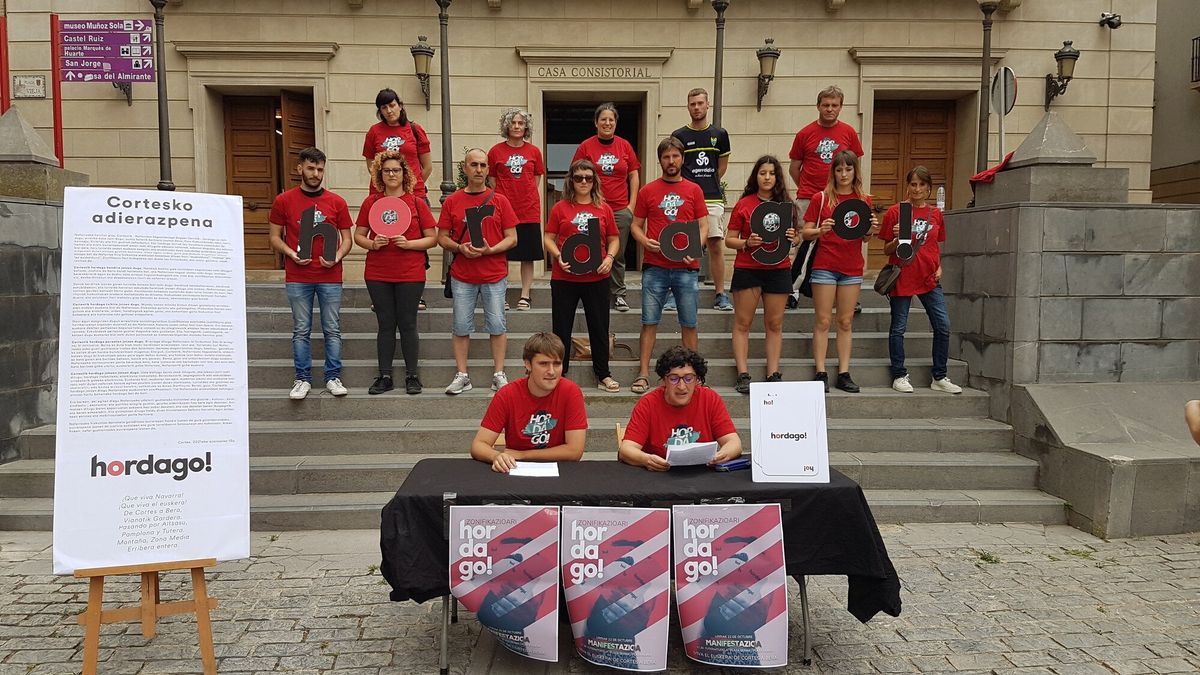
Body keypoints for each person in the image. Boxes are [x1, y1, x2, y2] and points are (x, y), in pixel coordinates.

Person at [267, 146, 354, 400]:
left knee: (332, 329)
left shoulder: (336, 202)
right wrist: (291, 254)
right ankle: (302, 378)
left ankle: (333, 377)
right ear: (300, 168)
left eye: (320, 169)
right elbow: (274, 237)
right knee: (301, 329)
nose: (316, 173)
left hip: (330, 276)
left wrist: (336, 256)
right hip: (298, 276)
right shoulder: (284, 200)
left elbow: (347, 239)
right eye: (311, 168)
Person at [354, 151, 438, 395]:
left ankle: (412, 376)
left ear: (404, 174)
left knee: (409, 323)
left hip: (410, 272)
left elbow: (432, 238)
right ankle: (385, 376)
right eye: (387, 170)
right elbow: (359, 235)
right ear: (380, 174)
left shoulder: (416, 202)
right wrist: (372, 244)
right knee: (386, 324)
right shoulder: (371, 202)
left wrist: (409, 244)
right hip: (378, 272)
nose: (392, 174)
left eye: (396, 170)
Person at [629, 137, 709, 395]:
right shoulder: (647, 191)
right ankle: (643, 374)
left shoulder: (694, 190)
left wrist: (695, 248)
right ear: (660, 160)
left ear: (682, 158)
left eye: (675, 156)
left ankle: (693, 375)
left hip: (686, 267)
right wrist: (644, 242)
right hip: (655, 266)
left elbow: (703, 225)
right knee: (649, 321)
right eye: (666, 157)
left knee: (689, 322)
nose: (671, 161)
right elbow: (635, 225)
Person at [438, 148, 518, 395]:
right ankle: (463, 375)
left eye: (483, 165)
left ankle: (498, 374)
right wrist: (459, 247)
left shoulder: (500, 200)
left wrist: (491, 250)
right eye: (474, 165)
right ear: (465, 168)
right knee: (461, 326)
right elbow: (441, 238)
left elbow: (512, 238)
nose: (479, 170)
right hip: (463, 276)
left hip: (494, 274)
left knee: (497, 325)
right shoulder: (453, 201)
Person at [879, 166, 962, 395]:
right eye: (913, 184)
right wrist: (896, 239)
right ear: (908, 186)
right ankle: (899, 374)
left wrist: (940, 266)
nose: (917, 189)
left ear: (929, 188)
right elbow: (885, 248)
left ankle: (940, 375)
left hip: (929, 277)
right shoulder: (897, 212)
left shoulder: (935, 214)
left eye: (922, 185)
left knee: (943, 326)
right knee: (899, 327)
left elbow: (935, 244)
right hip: (903, 275)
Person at [801, 149, 878, 393]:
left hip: (851, 267)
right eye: (839, 169)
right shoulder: (821, 198)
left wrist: (871, 229)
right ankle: (820, 371)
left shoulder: (864, 200)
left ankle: (844, 372)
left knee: (845, 321)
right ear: (832, 172)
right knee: (823, 320)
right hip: (825, 265)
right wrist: (820, 230)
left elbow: (864, 238)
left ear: (855, 171)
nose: (843, 174)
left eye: (848, 169)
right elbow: (805, 232)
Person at [543, 159, 622, 392]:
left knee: (599, 327)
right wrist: (558, 255)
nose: (584, 182)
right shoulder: (560, 207)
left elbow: (614, 239)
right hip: (564, 278)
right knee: (561, 328)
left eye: (588, 177)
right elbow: (548, 236)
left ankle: (603, 374)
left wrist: (609, 258)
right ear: (571, 181)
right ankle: (560, 373)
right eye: (579, 178)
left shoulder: (604, 208)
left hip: (596, 278)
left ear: (594, 180)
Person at [725, 156, 801, 394]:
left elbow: (798, 237)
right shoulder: (745, 204)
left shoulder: (787, 205)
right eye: (762, 173)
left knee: (775, 324)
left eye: (772, 173)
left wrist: (794, 237)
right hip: (748, 268)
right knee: (743, 323)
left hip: (778, 270)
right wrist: (746, 242)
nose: (767, 177)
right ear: (755, 176)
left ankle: (773, 372)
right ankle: (743, 374)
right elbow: (729, 239)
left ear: (778, 177)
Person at [788, 86, 864, 308]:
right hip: (810, 196)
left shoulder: (849, 132)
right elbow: (795, 168)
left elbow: (854, 165)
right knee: (804, 242)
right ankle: (794, 288)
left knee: (844, 239)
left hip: (842, 199)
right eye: (826, 105)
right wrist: (811, 191)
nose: (830, 109)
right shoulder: (805, 133)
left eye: (834, 105)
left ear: (840, 107)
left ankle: (847, 295)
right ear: (818, 106)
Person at [470, 333, 588, 473]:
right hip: (515, 470)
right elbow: (478, 445)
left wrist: (522, 455)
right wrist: (497, 456)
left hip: (560, 472)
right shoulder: (507, 394)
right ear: (528, 364)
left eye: (557, 364)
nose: (551, 371)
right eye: (543, 364)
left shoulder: (571, 392)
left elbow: (575, 451)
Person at [363, 88, 433, 310]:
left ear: (400, 105)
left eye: (392, 105)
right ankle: (382, 293)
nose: (389, 110)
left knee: (414, 242)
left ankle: (415, 294)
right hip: (383, 197)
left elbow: (427, 165)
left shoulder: (414, 129)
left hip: (413, 195)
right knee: (384, 239)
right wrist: (385, 185)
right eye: (383, 107)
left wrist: (410, 186)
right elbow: (370, 164)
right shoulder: (374, 132)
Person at [619, 346, 742, 471]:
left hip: (702, 476)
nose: (682, 386)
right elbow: (626, 449)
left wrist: (721, 455)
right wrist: (647, 459)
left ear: (697, 380)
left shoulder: (710, 399)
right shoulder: (648, 403)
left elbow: (734, 443)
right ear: (663, 380)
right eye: (674, 379)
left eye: (689, 378)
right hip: (659, 477)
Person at [573, 102, 641, 312]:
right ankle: (594, 293)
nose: (607, 123)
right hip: (594, 207)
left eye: (611, 119)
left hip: (620, 209)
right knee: (593, 250)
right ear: (596, 122)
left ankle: (619, 293)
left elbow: (633, 175)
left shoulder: (624, 146)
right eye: (603, 119)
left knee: (617, 253)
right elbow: (576, 175)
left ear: (615, 123)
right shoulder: (586, 146)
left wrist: (631, 206)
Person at [672, 88, 733, 311]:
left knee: (716, 244)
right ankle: (676, 292)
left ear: (707, 105)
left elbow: (721, 167)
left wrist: (706, 185)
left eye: (700, 103)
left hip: (712, 197)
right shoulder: (679, 135)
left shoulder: (720, 134)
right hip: (685, 199)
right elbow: (675, 165)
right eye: (692, 104)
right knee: (683, 245)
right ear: (688, 107)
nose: (696, 107)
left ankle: (720, 294)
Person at [488, 108, 545, 310]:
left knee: (527, 255)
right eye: (513, 123)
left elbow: (536, 178)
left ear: (526, 126)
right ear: (507, 126)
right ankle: (500, 295)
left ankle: (525, 295)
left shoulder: (534, 151)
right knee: (502, 253)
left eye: (521, 123)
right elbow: (493, 181)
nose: (517, 126)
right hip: (504, 211)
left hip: (528, 210)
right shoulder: (495, 151)